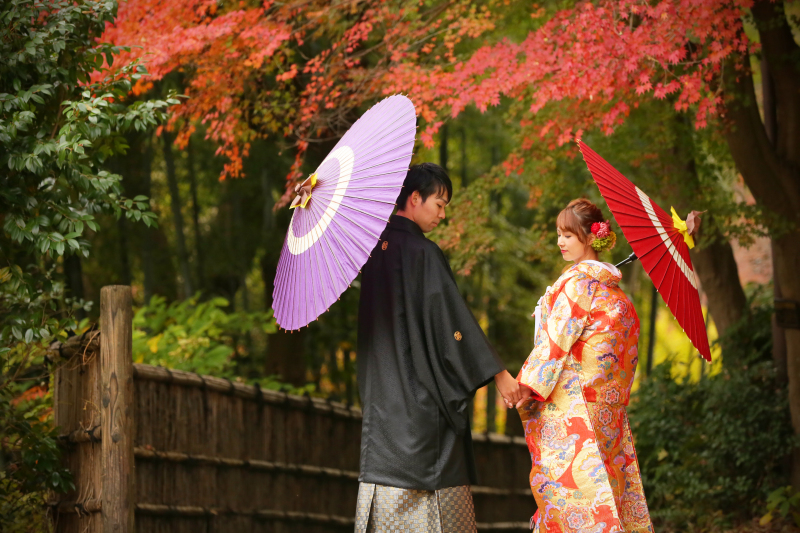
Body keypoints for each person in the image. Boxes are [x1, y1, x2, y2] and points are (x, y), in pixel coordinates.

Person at [355, 163, 524, 533]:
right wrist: (499, 374)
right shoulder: (422, 253)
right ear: (414, 199)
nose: (443, 215)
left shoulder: (369, 253)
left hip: (381, 405)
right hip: (420, 403)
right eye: (440, 204)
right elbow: (452, 325)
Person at [514, 198, 653, 533]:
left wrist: (524, 387)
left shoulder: (577, 285)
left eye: (569, 235)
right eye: (559, 235)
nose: (560, 242)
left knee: (573, 506)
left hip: (574, 412)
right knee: (610, 497)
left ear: (590, 238)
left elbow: (554, 344)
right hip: (608, 415)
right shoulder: (618, 297)